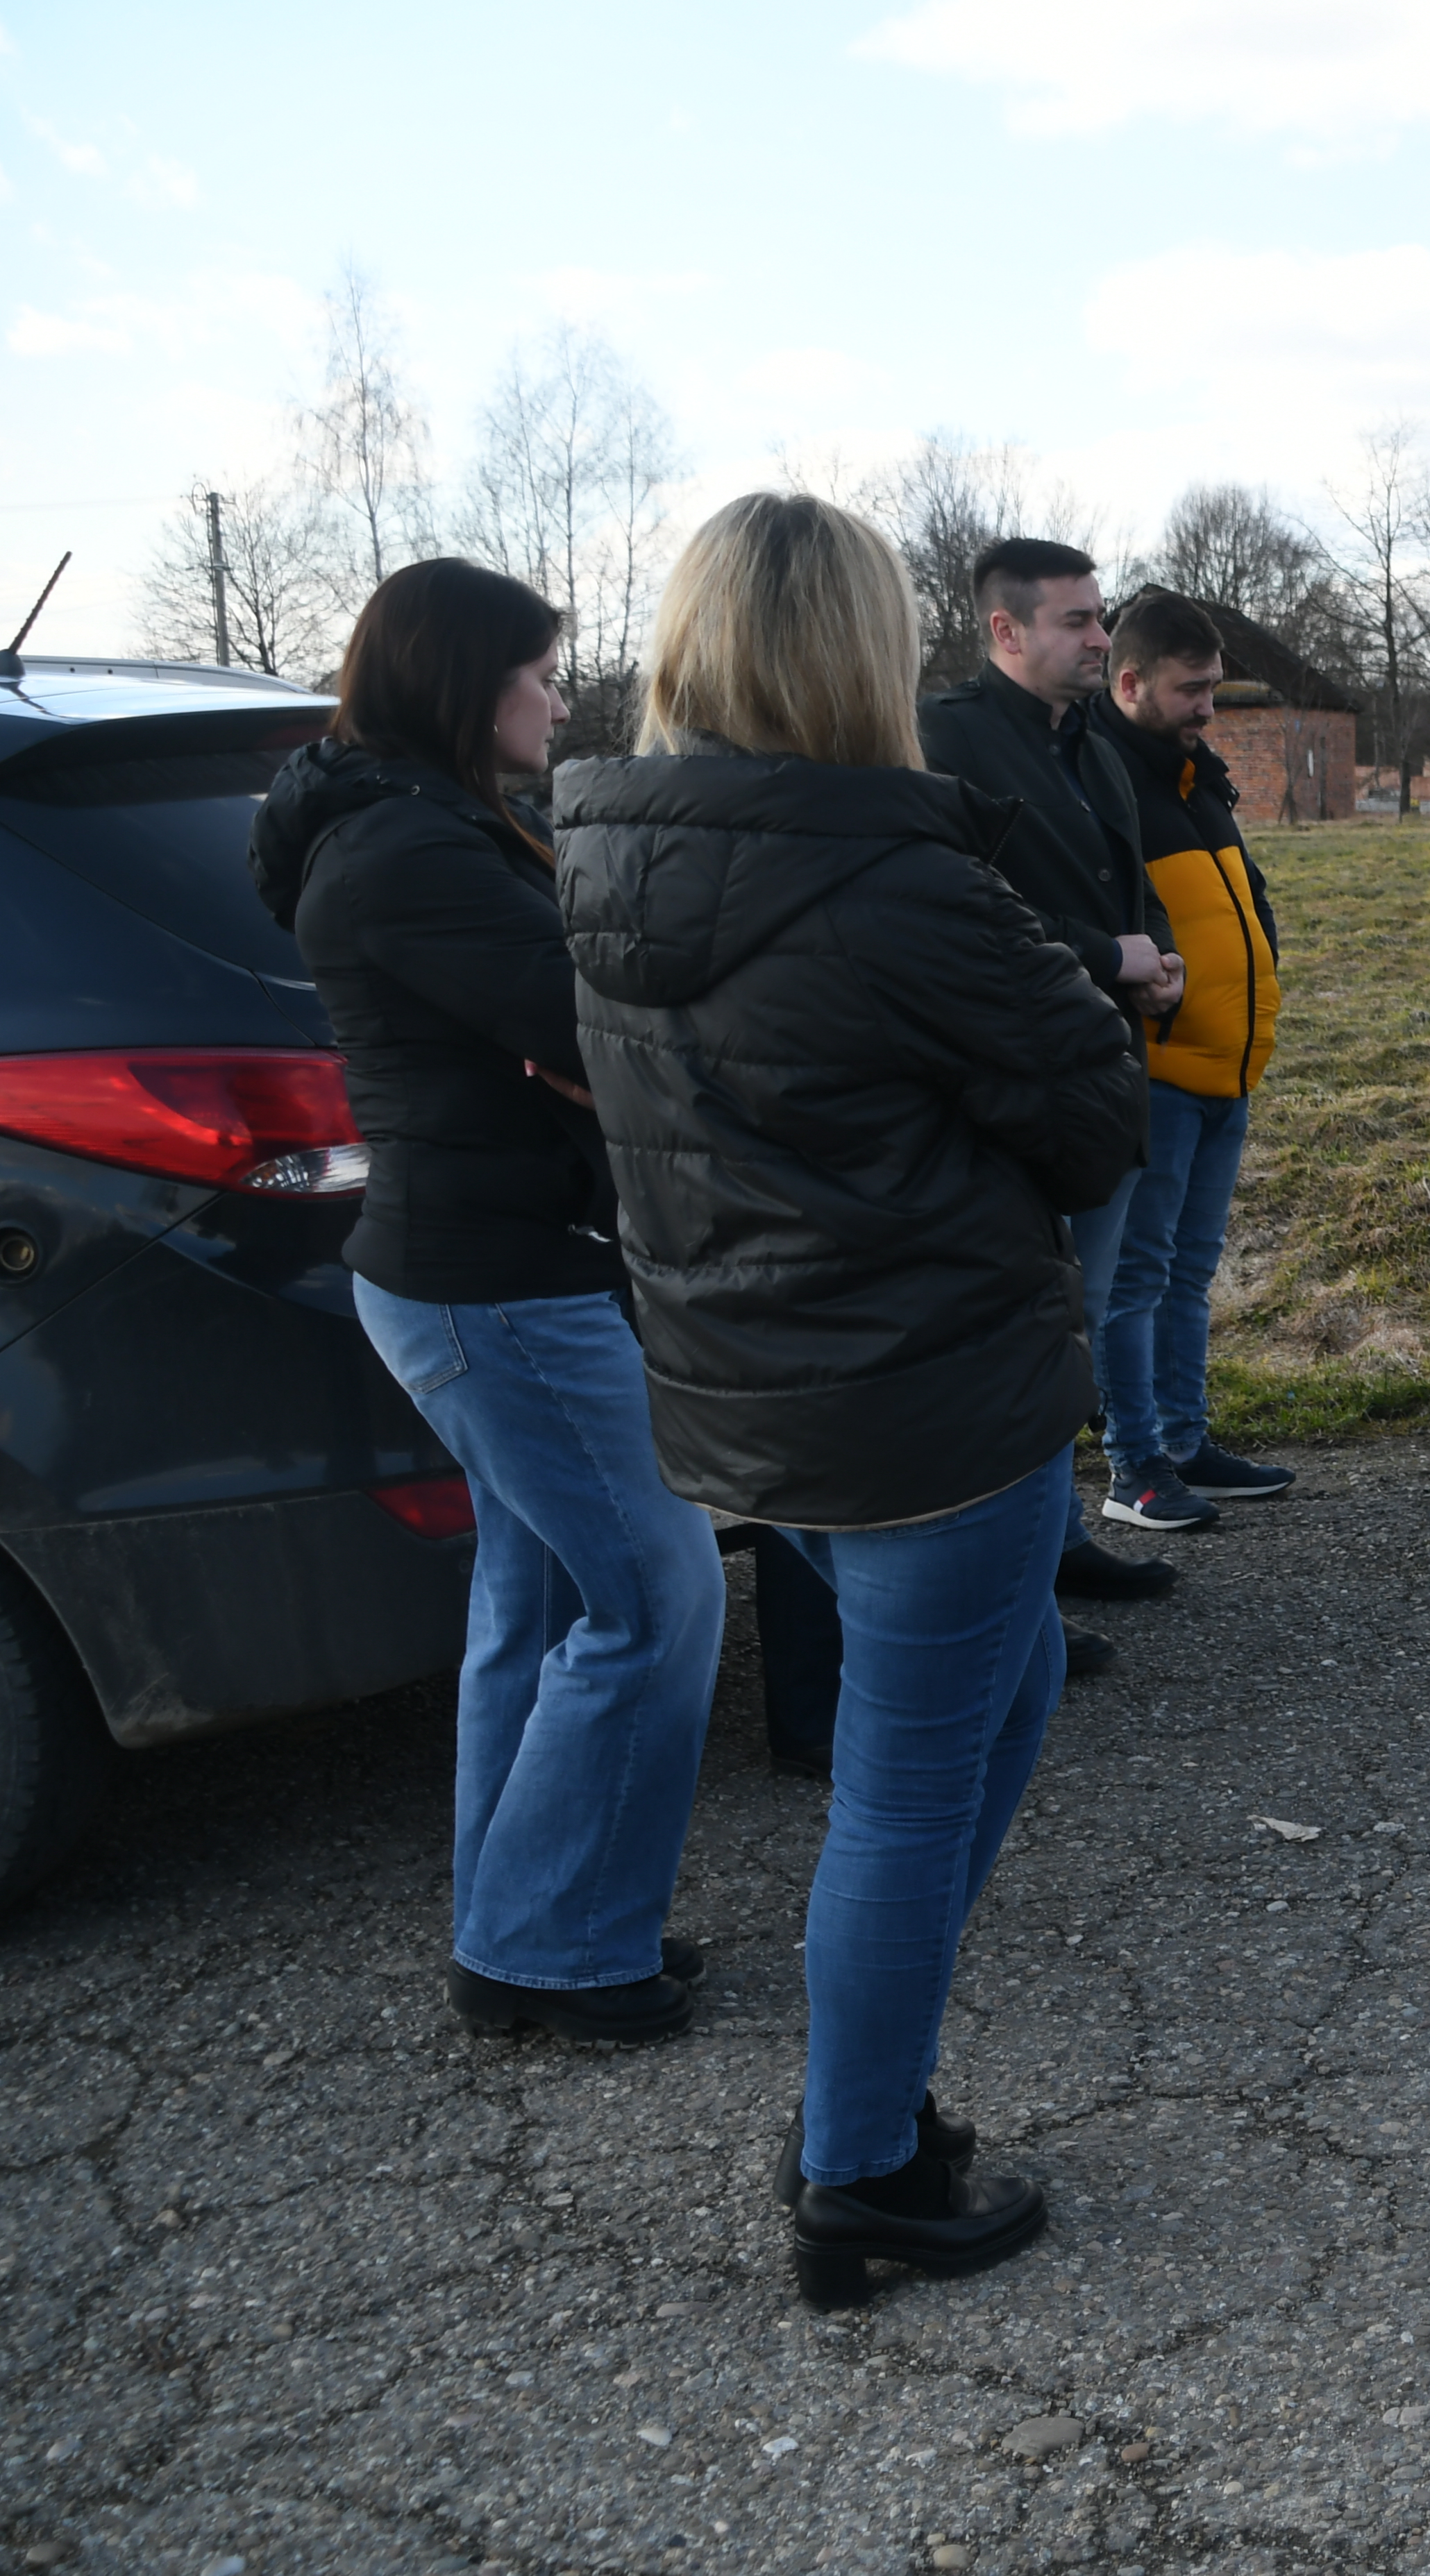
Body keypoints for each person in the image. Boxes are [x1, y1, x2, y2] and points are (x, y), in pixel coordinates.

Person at [559, 491, 1149, 2305]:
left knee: (1006, 1688)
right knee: (902, 1797)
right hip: (923, 1404)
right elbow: (1096, 1112)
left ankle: (859, 2085)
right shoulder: (897, 881)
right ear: (856, 659)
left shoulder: (606, 859)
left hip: (753, 1393)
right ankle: (862, 2163)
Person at [251, 558, 725, 2044]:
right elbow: (597, 1018)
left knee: (539, 1605)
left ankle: (524, 1917)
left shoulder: (429, 825)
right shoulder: (406, 848)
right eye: (539, 674)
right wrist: (604, 1045)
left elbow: (578, 1019)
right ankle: (547, 1948)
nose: (560, 701)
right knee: (659, 1596)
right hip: (498, 1286)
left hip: (495, 1268)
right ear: (465, 682)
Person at [916, 536, 1184, 1655]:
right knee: (1012, 1348)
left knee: (1073, 1329)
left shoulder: (1094, 743)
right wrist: (1108, 955)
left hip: (1103, 1078)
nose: (1101, 638)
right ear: (1005, 630)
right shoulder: (944, 740)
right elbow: (957, 911)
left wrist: (1157, 956)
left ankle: (1057, 1542)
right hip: (1011, 1093)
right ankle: (1011, 1598)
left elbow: (1129, 881)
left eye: (1099, 615)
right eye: (1076, 620)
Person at [1089, 588, 1298, 1534]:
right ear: (1131, 683)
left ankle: (1183, 1441)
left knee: (1187, 1275)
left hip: (1228, 1073)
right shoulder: (1100, 783)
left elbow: (1246, 898)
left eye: (1214, 687)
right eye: (1193, 690)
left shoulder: (1195, 778)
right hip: (1159, 1079)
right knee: (1135, 1280)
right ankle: (1133, 1465)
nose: (1210, 707)